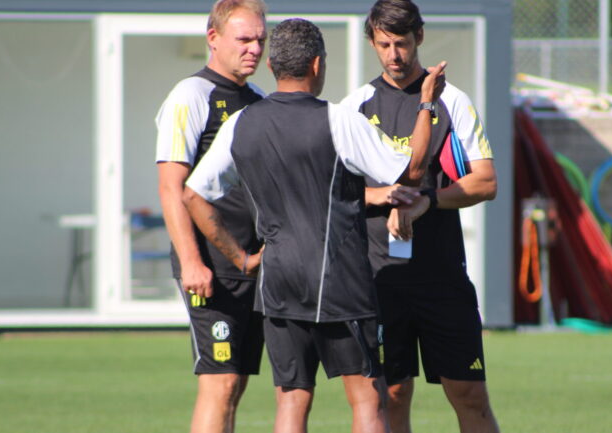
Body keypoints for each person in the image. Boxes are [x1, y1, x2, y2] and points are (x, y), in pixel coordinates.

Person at [182, 18, 446, 433]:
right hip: (340, 280)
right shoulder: (338, 119)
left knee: (292, 400)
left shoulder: (240, 123)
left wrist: (242, 258)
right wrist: (427, 103)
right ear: (318, 65)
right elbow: (409, 171)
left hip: (277, 282)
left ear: (272, 66)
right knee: (368, 398)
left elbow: (193, 195)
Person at [340, 1, 500, 432]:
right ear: (372, 42)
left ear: (420, 38)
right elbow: (341, 190)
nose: (394, 55)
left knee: (470, 396)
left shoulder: (452, 101)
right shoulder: (357, 107)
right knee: (391, 394)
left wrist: (427, 200)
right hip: (379, 280)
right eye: (384, 44)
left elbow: (486, 182)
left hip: (442, 277)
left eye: (403, 44)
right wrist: (386, 197)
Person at [154, 1, 267, 432]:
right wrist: (191, 261)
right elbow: (171, 188)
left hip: (250, 264)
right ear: (213, 38)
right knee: (220, 382)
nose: (254, 48)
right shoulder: (191, 95)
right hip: (210, 267)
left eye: (260, 39)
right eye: (244, 39)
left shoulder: (257, 99)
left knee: (234, 382)